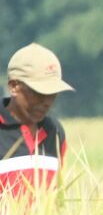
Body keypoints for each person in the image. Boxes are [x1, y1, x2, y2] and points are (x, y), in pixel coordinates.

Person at [2, 43, 72, 195]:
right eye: (39, 93)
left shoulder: (54, 131)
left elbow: (57, 195)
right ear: (14, 86)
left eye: (53, 93)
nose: (47, 102)